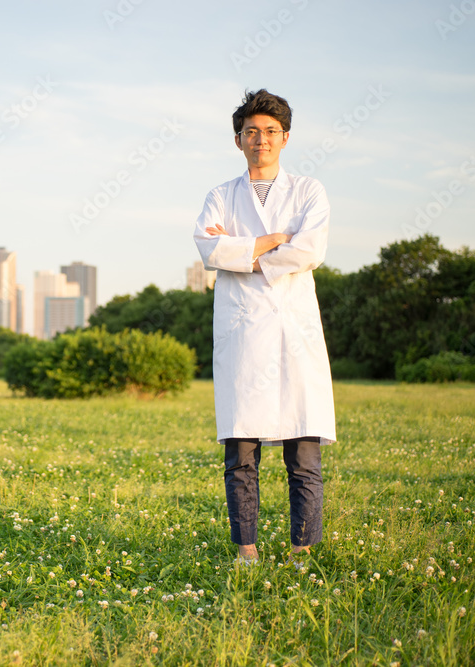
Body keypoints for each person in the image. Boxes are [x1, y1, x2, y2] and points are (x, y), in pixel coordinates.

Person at [193, 89, 336, 565]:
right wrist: (275, 241)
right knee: (241, 453)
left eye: (271, 132)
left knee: (304, 454)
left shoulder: (309, 191)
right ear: (239, 140)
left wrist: (246, 253)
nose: (262, 140)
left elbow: (310, 251)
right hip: (242, 333)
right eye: (251, 132)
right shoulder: (220, 195)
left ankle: (302, 552)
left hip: (294, 331)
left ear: (286, 137)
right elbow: (209, 251)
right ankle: (247, 550)